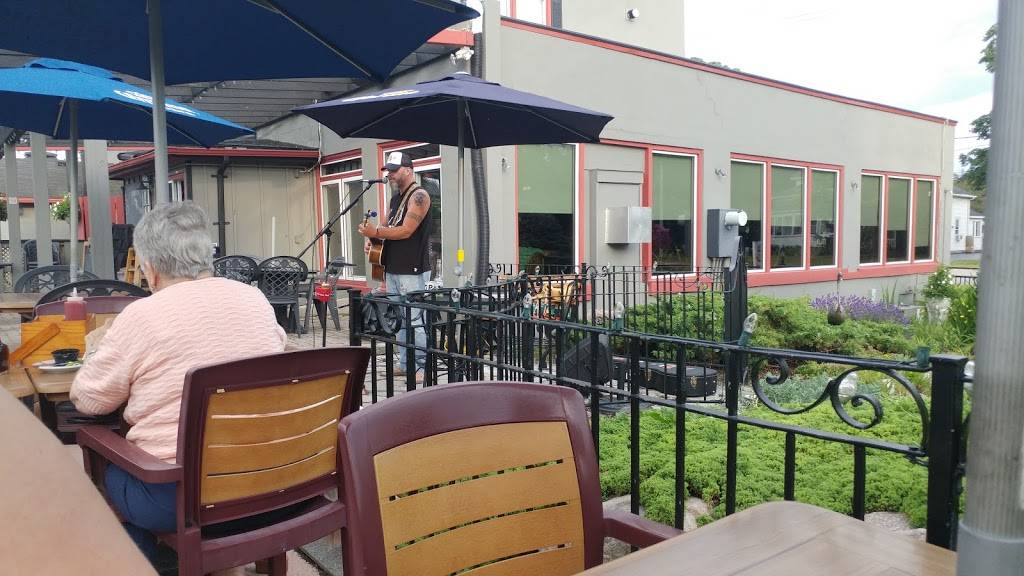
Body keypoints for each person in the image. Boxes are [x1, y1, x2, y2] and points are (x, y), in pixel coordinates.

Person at [70, 201, 287, 567]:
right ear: (206, 255)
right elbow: (276, 347)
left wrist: (98, 350)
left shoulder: (142, 316)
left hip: (181, 499)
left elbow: (89, 400)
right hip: (275, 483)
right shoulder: (255, 300)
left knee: (108, 471)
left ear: (151, 270)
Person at [358, 151, 432, 379]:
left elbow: (406, 230)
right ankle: (406, 363)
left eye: (394, 170)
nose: (389, 174)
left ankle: (420, 368)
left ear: (408, 170)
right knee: (398, 319)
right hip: (392, 267)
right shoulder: (395, 198)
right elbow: (386, 227)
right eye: (388, 170)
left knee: (415, 320)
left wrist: (376, 232)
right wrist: (374, 239)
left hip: (412, 268)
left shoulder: (419, 196)